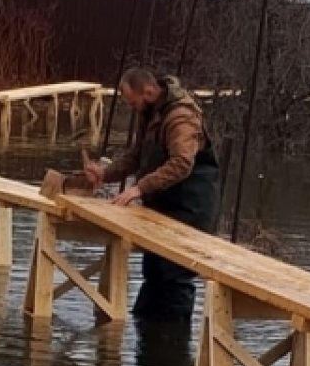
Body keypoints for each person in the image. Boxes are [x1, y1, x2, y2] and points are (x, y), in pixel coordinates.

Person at [83, 67, 220, 323]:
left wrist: (139, 188)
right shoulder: (151, 113)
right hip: (165, 204)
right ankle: (146, 337)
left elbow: (181, 163)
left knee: (175, 277)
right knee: (154, 271)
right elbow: (137, 155)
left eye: (133, 102)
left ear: (148, 91)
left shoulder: (180, 117)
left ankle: (171, 343)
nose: (132, 108)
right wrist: (104, 174)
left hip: (190, 207)